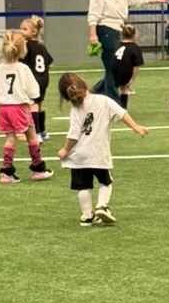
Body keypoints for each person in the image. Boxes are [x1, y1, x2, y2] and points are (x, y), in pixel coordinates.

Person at [57, 72, 148, 226]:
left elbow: (73, 134)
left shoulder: (75, 109)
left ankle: (87, 216)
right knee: (106, 182)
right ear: (84, 84)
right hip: (98, 153)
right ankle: (102, 206)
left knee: (83, 187)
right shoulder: (103, 101)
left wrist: (65, 150)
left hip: (80, 156)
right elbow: (122, 113)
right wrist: (136, 127)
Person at [87, 0, 168, 103]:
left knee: (116, 66)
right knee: (112, 67)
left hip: (118, 30)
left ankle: (91, 94)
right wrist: (93, 34)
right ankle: (113, 102)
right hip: (106, 30)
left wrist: (152, 0)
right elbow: (93, 15)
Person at [0, 29, 53, 184]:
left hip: (3, 109)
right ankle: (38, 169)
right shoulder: (23, 69)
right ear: (22, 50)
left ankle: (6, 173)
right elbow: (34, 91)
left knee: (10, 139)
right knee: (32, 136)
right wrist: (31, 98)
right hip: (19, 107)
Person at [20, 16, 53, 141]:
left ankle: (36, 134)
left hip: (33, 80)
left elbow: (22, 64)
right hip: (44, 79)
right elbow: (48, 61)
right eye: (21, 29)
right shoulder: (42, 47)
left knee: (32, 104)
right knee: (40, 104)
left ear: (34, 32)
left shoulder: (26, 47)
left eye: (25, 29)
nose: (21, 32)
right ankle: (43, 131)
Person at [110, 24, 143, 109]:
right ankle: (122, 109)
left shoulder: (118, 44)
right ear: (134, 34)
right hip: (125, 69)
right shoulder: (135, 48)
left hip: (114, 68)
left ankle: (115, 106)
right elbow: (135, 66)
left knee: (117, 88)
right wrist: (132, 79)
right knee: (124, 88)